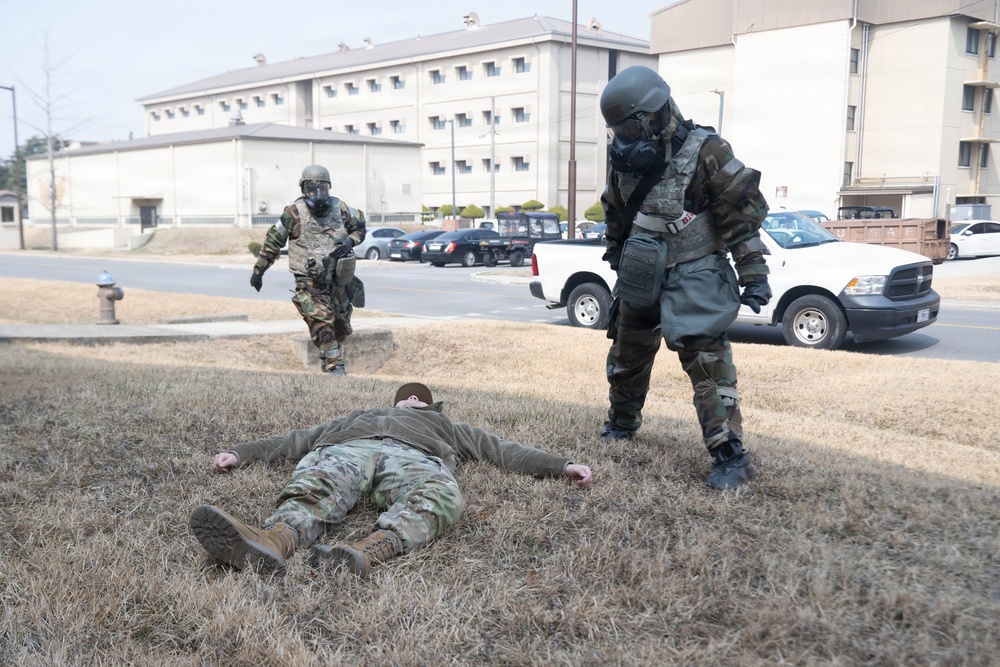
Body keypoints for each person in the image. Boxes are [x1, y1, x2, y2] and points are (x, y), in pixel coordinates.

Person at [189, 382, 592, 578]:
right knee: (320, 482)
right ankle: (273, 541)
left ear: (429, 404)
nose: (413, 400)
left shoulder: (445, 424)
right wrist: (240, 453)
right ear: (396, 400)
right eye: (408, 396)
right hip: (349, 450)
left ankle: (366, 552)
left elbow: (502, 450)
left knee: (440, 493)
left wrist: (561, 465)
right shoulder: (357, 417)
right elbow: (295, 440)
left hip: (413, 459)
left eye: (420, 398)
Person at [597, 65, 771, 490]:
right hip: (641, 269)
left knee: (708, 363)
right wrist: (619, 258)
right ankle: (622, 422)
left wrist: (753, 272)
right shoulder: (624, 155)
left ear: (653, 114)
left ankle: (731, 456)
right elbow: (615, 210)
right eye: (616, 129)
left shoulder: (707, 150)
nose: (622, 137)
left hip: (695, 270)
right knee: (628, 353)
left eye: (628, 127)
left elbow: (742, 217)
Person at [250, 165, 367, 375]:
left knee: (341, 326)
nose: (319, 194)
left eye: (323, 188)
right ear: (304, 190)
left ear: (329, 188)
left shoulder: (341, 209)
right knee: (322, 320)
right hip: (309, 282)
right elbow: (273, 242)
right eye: (313, 189)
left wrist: (350, 241)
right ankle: (335, 367)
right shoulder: (293, 213)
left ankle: (329, 357)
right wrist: (259, 271)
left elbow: (360, 227)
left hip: (338, 280)